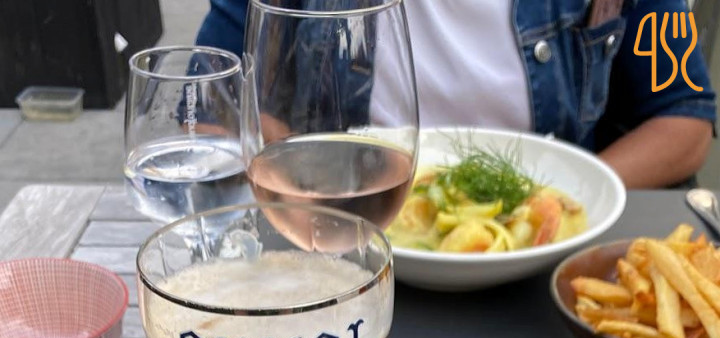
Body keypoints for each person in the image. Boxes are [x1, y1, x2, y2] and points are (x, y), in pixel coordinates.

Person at [196, 0, 716, 188]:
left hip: (544, 263)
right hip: (344, 237)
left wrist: (563, 199)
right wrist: (300, 177)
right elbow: (206, 101)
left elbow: (684, 119)